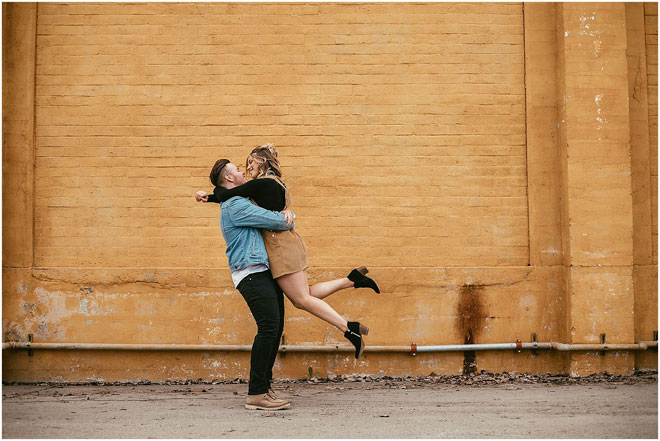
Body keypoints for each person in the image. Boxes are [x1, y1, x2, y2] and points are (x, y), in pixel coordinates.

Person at [196, 144, 379, 360]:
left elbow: (229, 194)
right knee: (305, 295)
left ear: (262, 162)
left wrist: (209, 196)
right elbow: (231, 194)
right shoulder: (271, 185)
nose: (246, 169)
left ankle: (349, 328)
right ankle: (351, 280)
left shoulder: (261, 184)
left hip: (280, 246)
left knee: (301, 299)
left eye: (250, 163)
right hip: (286, 245)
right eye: (242, 167)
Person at [200, 158, 293, 411]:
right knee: (268, 327)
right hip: (250, 273)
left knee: (274, 329)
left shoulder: (240, 200)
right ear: (229, 179)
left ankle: (265, 388)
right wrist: (286, 216)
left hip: (263, 271)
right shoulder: (235, 205)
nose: (242, 172)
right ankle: (257, 393)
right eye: (237, 170)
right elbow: (278, 222)